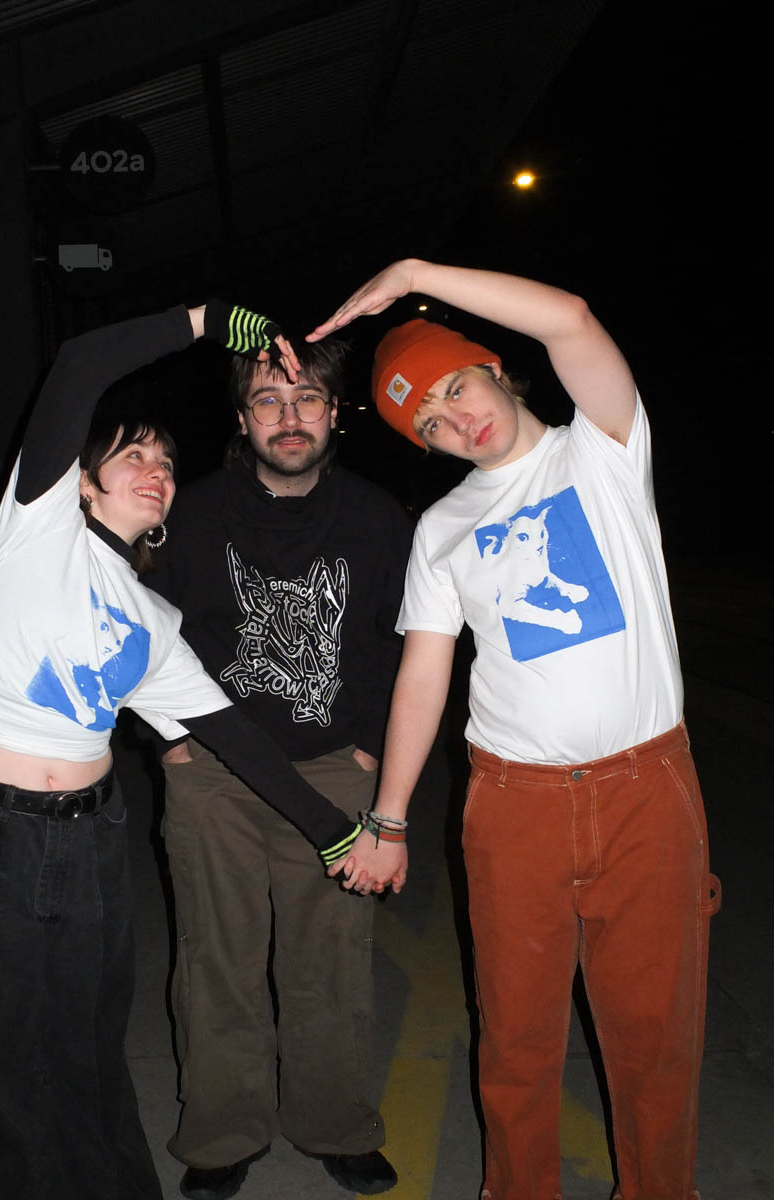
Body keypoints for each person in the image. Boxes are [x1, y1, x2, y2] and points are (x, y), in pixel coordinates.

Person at [0, 300, 365, 1200]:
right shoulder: (36, 531)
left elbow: (232, 733)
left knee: (86, 1051)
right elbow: (79, 364)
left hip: (88, 842)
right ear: (82, 480)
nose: (155, 471)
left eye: (167, 463)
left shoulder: (152, 620)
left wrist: (334, 831)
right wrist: (204, 321)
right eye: (133, 455)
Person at [308, 259, 721, 1200]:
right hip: (513, 801)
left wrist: (413, 274)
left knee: (655, 1035)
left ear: (492, 364)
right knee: (516, 1039)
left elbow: (571, 317)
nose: (458, 422)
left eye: (456, 388)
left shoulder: (602, 449)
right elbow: (423, 676)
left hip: (645, 791)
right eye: (430, 423)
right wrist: (388, 818)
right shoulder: (444, 527)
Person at [147, 333, 412, 1199]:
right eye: (268, 400)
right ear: (241, 418)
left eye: (306, 401)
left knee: (329, 960)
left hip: (332, 767)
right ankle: (223, 1133)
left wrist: (367, 747)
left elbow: (399, 643)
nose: (289, 418)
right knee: (216, 958)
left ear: (336, 413)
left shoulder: (378, 518)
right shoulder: (192, 514)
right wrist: (172, 745)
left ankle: (334, 1125)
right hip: (214, 772)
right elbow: (144, 630)